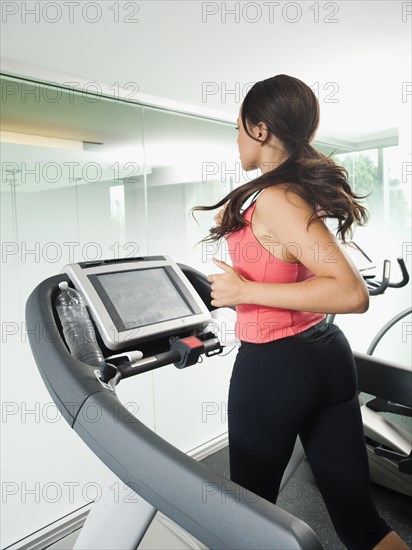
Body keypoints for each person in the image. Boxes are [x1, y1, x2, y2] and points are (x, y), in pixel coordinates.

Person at [193, 75, 409, 550]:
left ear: (262, 129)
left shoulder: (276, 198)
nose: (236, 140)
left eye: (238, 129)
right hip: (323, 357)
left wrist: (244, 288)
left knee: (247, 518)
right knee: (359, 523)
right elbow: (297, 269)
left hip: (275, 364)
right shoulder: (284, 193)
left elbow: (351, 293)